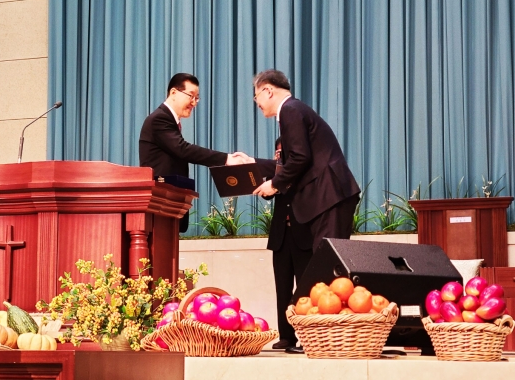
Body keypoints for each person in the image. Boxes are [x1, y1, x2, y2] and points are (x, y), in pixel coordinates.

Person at [250, 68, 360, 253]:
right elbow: (294, 160)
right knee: (326, 263)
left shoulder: (289, 110)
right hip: (328, 197)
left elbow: (300, 158)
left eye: (256, 97)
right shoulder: (295, 108)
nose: (257, 103)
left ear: (268, 91)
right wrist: (251, 162)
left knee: (328, 263)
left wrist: (275, 184)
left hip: (329, 196)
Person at [139, 73, 247, 232]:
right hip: (161, 203)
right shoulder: (159, 119)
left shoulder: (168, 120)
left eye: (197, 98)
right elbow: (183, 149)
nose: (194, 103)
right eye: (191, 96)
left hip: (169, 203)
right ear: (174, 93)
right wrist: (226, 159)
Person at [267, 137, 313, 353]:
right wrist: (277, 166)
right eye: (278, 152)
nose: (282, 155)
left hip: (303, 234)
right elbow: (269, 194)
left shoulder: (305, 170)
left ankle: (308, 335)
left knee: (305, 290)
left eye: (285, 152)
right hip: (281, 236)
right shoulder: (275, 172)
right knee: (282, 289)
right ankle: (286, 336)